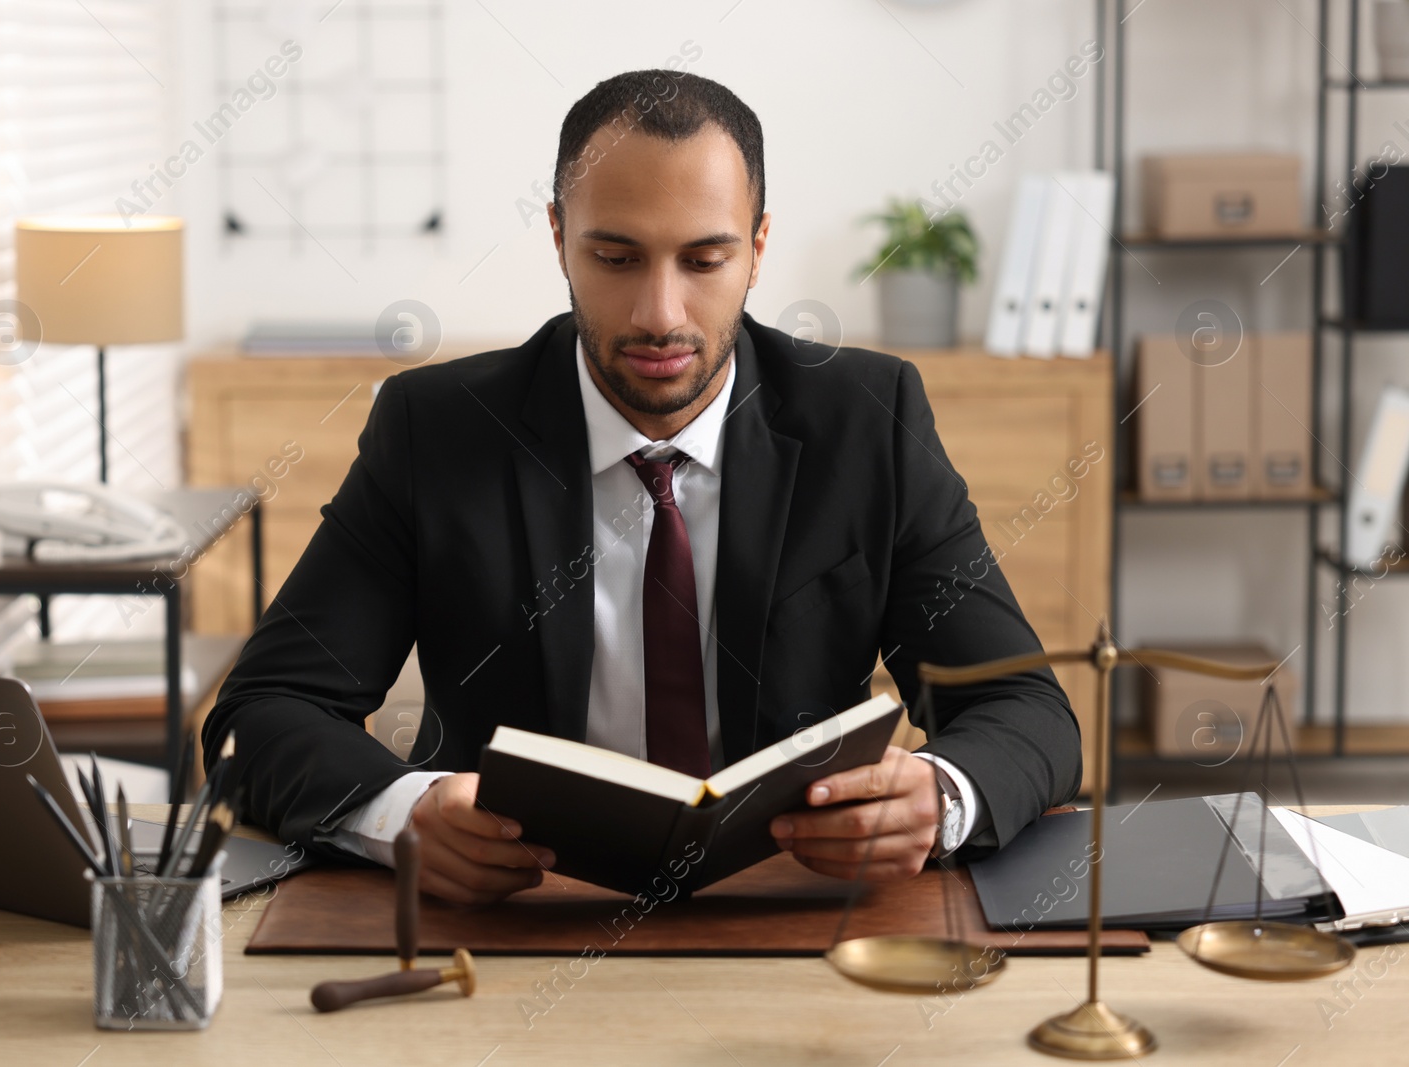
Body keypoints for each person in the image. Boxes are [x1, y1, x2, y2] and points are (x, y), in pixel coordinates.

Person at [204, 69, 1082, 905]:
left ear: (758, 248)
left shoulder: (868, 421)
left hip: (793, 914)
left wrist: (938, 795)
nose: (660, 314)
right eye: (617, 258)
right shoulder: (433, 431)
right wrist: (402, 816)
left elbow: (1026, 711)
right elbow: (263, 715)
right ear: (558, 237)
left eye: (704, 261)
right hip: (514, 922)